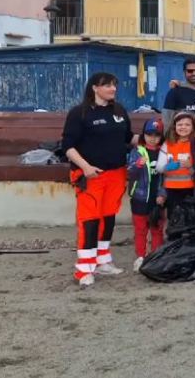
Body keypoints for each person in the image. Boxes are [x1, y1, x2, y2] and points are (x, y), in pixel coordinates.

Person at [62, 72, 136, 286]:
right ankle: (84, 269)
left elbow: (128, 137)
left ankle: (103, 261)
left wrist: (154, 139)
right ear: (95, 87)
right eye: (107, 85)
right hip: (90, 175)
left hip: (116, 173)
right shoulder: (79, 113)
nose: (113, 89)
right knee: (90, 220)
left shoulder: (119, 111)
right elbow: (67, 146)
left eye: (114, 85)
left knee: (108, 217)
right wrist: (85, 167)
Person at [126, 118, 166, 273]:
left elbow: (166, 177)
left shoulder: (163, 152)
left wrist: (163, 194)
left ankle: (156, 257)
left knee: (157, 229)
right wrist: (137, 165)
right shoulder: (137, 151)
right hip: (140, 198)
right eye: (149, 134)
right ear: (144, 135)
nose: (153, 138)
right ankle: (140, 257)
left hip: (157, 199)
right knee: (140, 230)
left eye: (157, 135)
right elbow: (130, 172)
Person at [155, 111, 195, 218]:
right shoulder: (167, 144)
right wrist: (166, 167)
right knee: (174, 218)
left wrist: (190, 166)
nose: (183, 127)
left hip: (191, 189)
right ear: (174, 126)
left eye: (187, 124)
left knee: (190, 219)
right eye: (180, 124)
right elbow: (159, 168)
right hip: (171, 189)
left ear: (193, 126)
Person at [162, 58, 195, 125]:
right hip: (184, 134)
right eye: (190, 71)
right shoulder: (175, 92)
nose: (194, 73)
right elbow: (167, 117)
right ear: (184, 72)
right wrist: (168, 135)